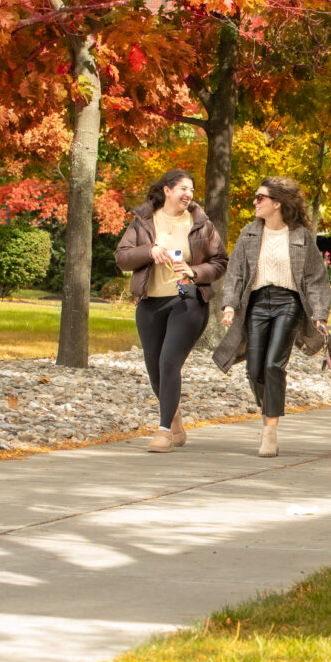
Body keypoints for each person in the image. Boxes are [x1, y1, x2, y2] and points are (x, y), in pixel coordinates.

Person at [213, 177, 331, 458]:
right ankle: (269, 408)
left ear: (277, 203)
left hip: (287, 303)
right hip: (256, 304)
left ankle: (270, 430)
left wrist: (319, 314)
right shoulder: (249, 234)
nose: (255, 202)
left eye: (260, 198)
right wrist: (229, 305)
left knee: (273, 365)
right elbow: (236, 274)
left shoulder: (301, 236)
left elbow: (316, 278)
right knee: (255, 368)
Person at [116, 169, 228, 452]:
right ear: (167, 190)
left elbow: (220, 261)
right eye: (182, 188)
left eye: (191, 189)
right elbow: (122, 257)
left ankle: (163, 431)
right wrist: (149, 251)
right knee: (155, 369)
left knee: (169, 362)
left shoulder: (201, 223)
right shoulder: (143, 221)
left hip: (187, 300)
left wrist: (194, 270)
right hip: (150, 302)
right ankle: (174, 416)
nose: (188, 194)